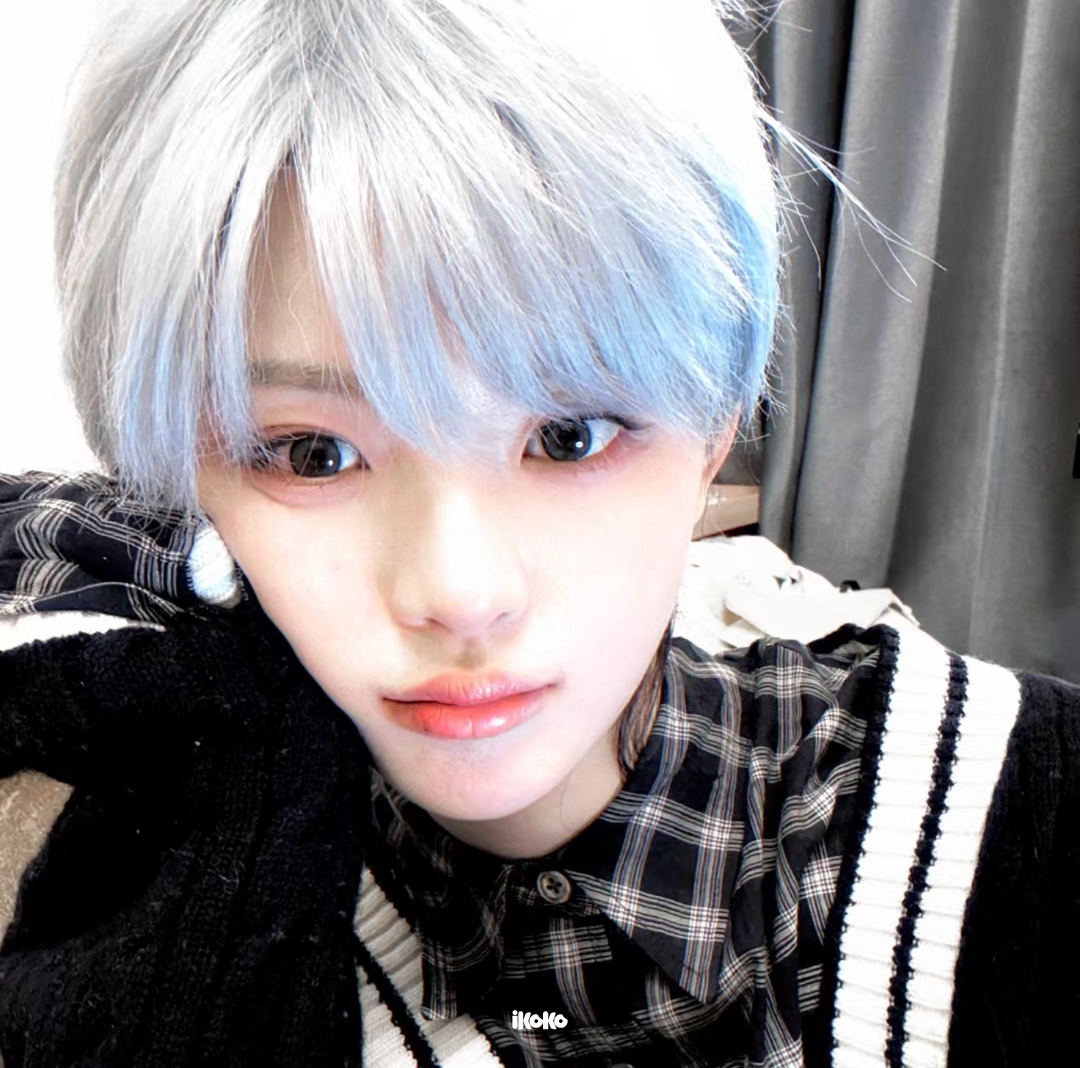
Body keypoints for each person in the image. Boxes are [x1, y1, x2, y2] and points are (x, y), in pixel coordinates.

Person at [0, 1, 1077, 1066]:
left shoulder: (1017, 814)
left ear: (713, 429)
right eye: (312, 453)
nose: (461, 593)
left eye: (568, 436)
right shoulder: (174, 873)